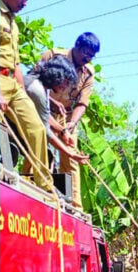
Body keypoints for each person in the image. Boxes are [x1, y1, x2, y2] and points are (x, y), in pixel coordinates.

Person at [35, 32, 100, 209]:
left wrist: (72, 123)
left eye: (92, 56)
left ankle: (73, 205)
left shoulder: (88, 73)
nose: (88, 58)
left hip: (68, 119)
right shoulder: (53, 55)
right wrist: (51, 102)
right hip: (43, 109)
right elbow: (32, 83)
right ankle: (36, 190)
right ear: (77, 46)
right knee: (40, 146)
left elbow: (82, 103)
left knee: (71, 158)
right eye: (86, 53)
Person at [0, 0, 49, 190]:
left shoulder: (13, 22)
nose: (25, 3)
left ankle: (45, 185)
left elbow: (17, 64)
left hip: (13, 82)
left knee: (37, 128)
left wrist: (24, 96)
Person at [22, 56, 90, 174]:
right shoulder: (36, 90)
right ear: (57, 75)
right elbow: (45, 131)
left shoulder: (40, 84)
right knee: (44, 150)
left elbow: (45, 115)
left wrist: (63, 131)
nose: (65, 87)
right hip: (10, 130)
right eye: (66, 82)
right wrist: (69, 153)